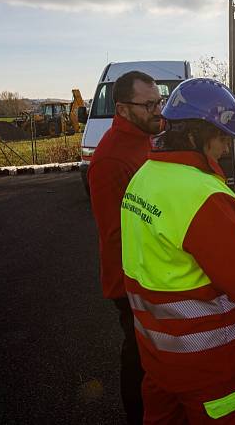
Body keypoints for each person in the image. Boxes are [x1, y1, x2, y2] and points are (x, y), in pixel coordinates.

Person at [121, 77, 235, 424]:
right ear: (196, 135)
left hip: (158, 357)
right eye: (221, 138)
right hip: (210, 364)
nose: (224, 148)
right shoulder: (202, 194)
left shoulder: (145, 175)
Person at [87, 70, 163, 425]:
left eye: (158, 101)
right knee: (138, 355)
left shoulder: (146, 137)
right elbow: (115, 234)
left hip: (152, 271)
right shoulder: (110, 159)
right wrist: (140, 283)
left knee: (154, 355)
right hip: (132, 280)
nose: (157, 110)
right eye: (149, 105)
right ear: (122, 108)